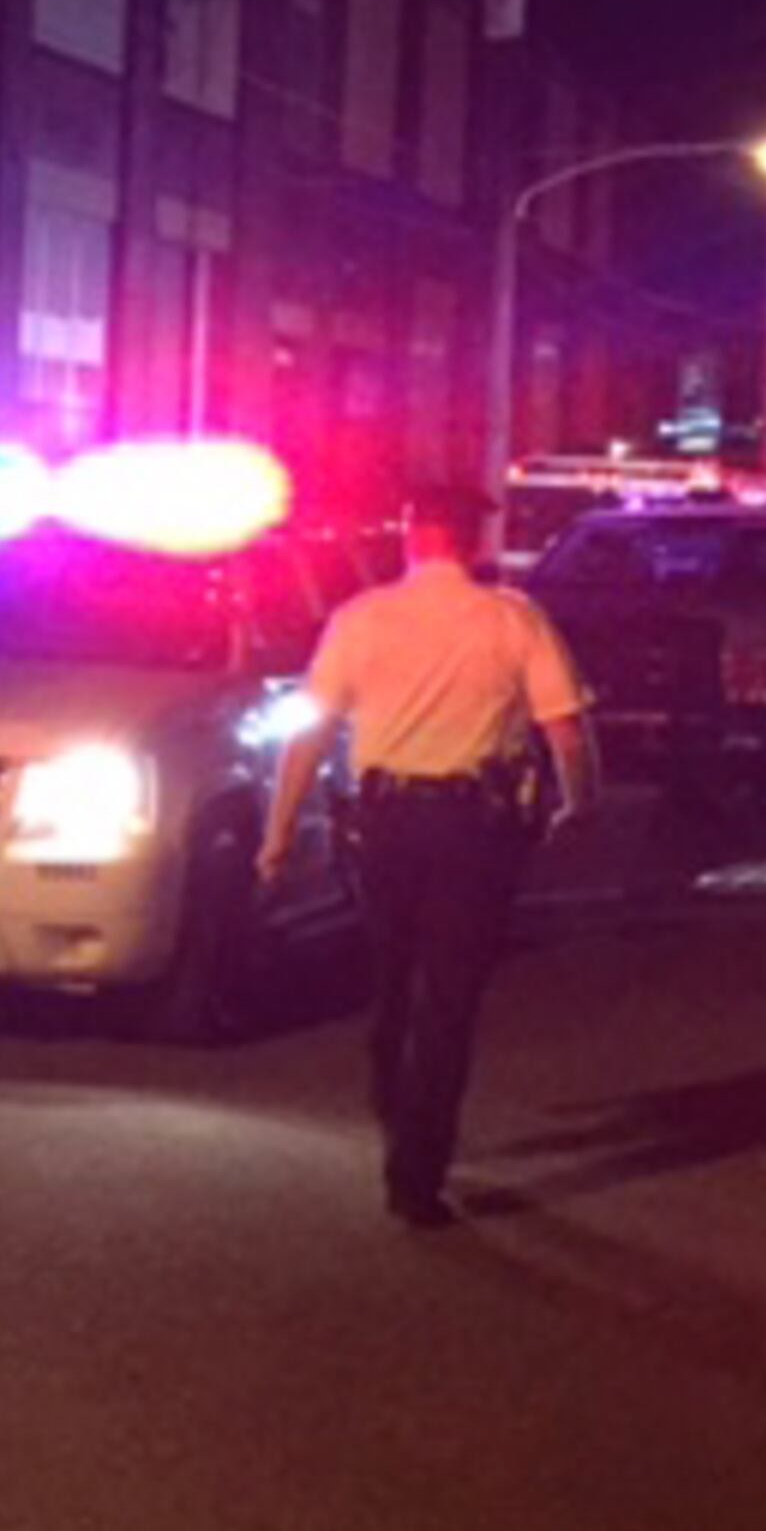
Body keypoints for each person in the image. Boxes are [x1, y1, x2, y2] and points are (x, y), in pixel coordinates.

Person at [260, 482, 595, 1230]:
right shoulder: (513, 619)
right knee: (448, 997)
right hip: (475, 829)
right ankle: (416, 1172)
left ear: (411, 537)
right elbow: (566, 732)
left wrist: (278, 833)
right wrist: (578, 804)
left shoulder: (361, 619)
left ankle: (393, 1103)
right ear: (474, 541)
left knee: (393, 975)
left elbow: (309, 735)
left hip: (382, 823)